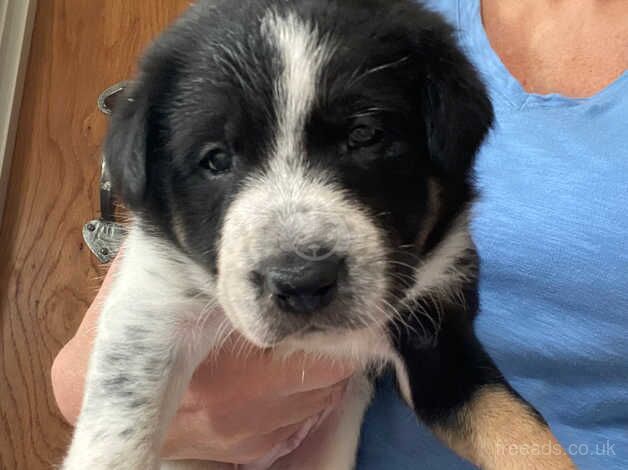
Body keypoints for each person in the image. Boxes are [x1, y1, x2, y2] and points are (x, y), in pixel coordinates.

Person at [52, 0, 628, 468]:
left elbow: (451, 377)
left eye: (363, 137)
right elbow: (87, 380)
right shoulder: (219, 47)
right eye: (216, 159)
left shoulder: (411, 52)